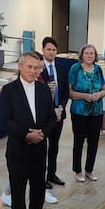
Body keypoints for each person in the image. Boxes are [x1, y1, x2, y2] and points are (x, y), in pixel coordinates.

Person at [1, 51, 56, 209]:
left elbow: (51, 117)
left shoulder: (43, 90)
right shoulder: (9, 90)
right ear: (20, 66)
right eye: (30, 67)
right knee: (18, 188)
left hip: (39, 147)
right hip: (18, 149)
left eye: (37, 68)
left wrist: (42, 134)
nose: (33, 71)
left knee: (38, 187)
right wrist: (26, 135)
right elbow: (6, 120)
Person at [68, 44, 105, 182]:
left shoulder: (98, 69)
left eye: (92, 53)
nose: (89, 56)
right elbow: (70, 93)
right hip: (79, 111)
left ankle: (89, 170)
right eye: (87, 53)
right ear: (82, 55)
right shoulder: (75, 68)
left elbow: (104, 89)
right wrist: (84, 96)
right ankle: (78, 170)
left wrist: (99, 95)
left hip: (96, 112)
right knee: (78, 141)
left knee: (94, 142)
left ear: (95, 56)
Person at [39, 36, 68, 189]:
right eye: (48, 49)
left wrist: (60, 108)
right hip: (44, 115)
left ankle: (52, 174)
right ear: (43, 50)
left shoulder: (61, 69)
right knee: (42, 148)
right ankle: (41, 177)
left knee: (54, 146)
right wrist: (51, 109)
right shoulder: (38, 70)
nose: (51, 52)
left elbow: (65, 93)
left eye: (54, 50)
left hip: (59, 113)